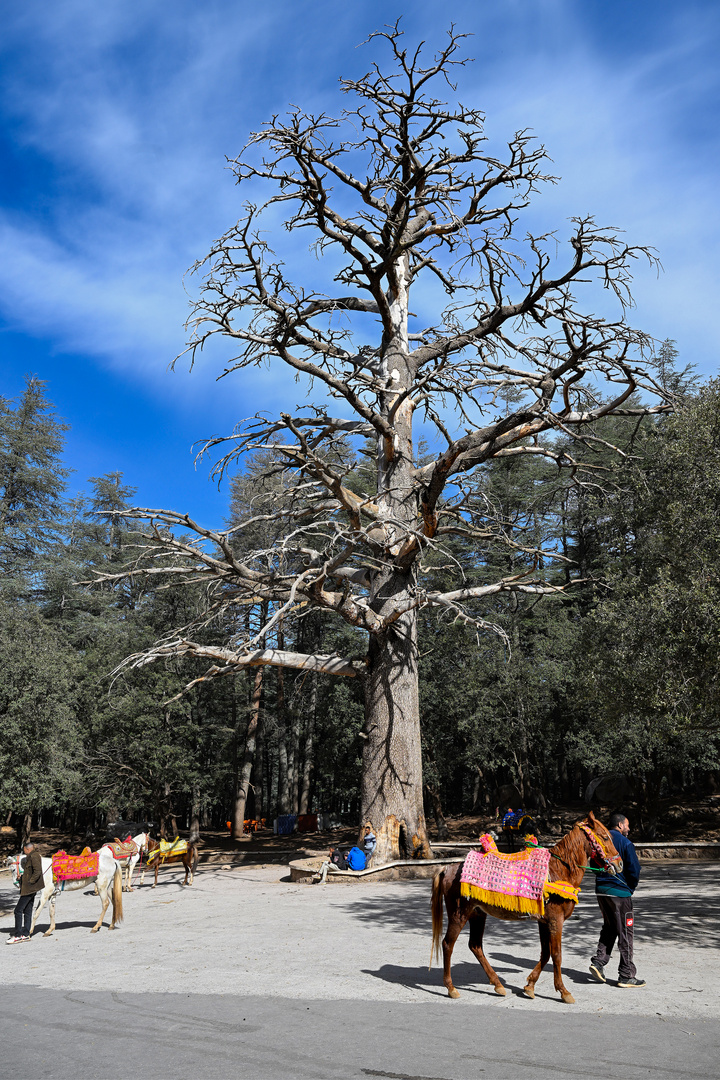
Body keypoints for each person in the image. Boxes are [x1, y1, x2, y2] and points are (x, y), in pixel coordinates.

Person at [589, 811, 645, 988]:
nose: (628, 828)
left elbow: (593, 864)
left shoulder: (600, 841)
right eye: (627, 825)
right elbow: (634, 869)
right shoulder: (625, 843)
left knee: (610, 926)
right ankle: (626, 974)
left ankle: (598, 963)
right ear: (620, 825)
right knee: (626, 933)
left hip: (601, 891)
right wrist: (631, 887)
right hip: (620, 894)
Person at [8, 841, 45, 944]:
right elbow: (30, 872)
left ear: (27, 849)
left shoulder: (34, 856)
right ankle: (26, 934)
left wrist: (30, 882)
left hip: (29, 888)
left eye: (24, 849)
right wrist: (23, 877)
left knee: (18, 910)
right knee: (27, 910)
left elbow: (37, 872)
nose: (23, 851)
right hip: (29, 887)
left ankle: (18, 935)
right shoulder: (32, 855)